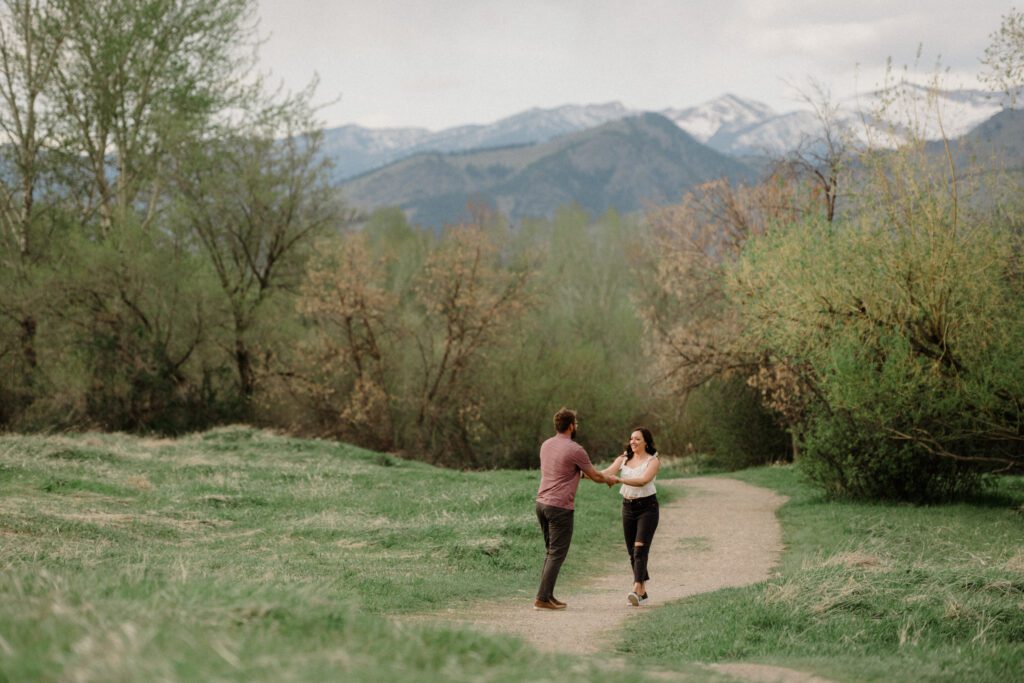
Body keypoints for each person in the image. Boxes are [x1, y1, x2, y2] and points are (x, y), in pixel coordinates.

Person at [534, 407, 614, 611]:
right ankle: (542, 598)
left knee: (551, 552)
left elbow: (569, 472)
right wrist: (608, 480)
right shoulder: (575, 449)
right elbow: (595, 476)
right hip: (559, 507)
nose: (576, 426)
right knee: (556, 554)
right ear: (570, 426)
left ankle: (547, 595)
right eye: (575, 423)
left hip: (541, 504)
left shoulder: (546, 445)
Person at [602, 427, 661, 606]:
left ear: (646, 442)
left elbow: (643, 480)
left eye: (637, 439)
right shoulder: (623, 459)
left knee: (640, 549)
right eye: (631, 439)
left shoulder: (653, 461)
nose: (633, 442)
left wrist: (619, 480)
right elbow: (606, 473)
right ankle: (642, 592)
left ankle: (636, 587)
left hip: (647, 508)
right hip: (628, 507)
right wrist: (582, 474)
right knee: (632, 553)